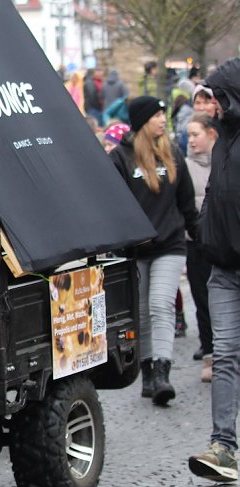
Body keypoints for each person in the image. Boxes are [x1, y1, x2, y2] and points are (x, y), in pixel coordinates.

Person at [109, 96, 198, 406]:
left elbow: (186, 201)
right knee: (142, 312)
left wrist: (200, 238)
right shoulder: (121, 158)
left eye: (164, 114)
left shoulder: (173, 153)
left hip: (170, 244)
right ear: (142, 121)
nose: (163, 119)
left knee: (161, 304)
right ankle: (146, 372)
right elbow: (114, 206)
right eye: (158, 115)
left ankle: (162, 372)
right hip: (136, 249)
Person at [188, 57, 240, 482]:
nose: (211, 106)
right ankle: (223, 447)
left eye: (217, 97)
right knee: (224, 357)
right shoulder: (222, 140)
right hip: (222, 269)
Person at [185, 111, 218, 382]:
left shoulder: (225, 161)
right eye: (189, 135)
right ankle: (210, 355)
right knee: (202, 301)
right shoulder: (184, 166)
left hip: (223, 241)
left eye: (195, 134)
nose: (191, 140)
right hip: (196, 242)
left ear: (211, 134)